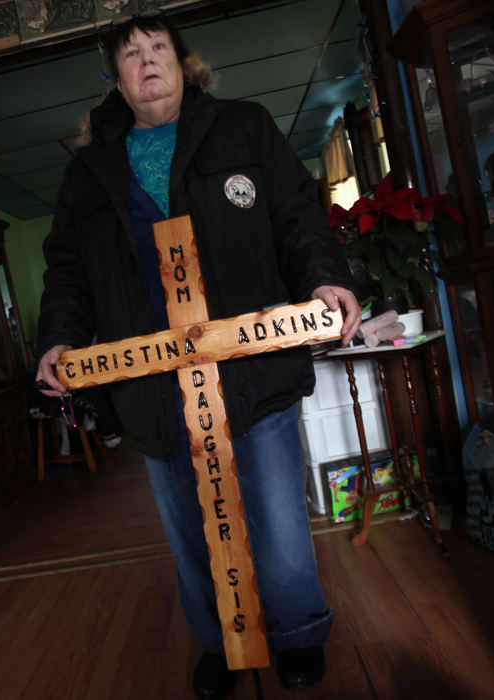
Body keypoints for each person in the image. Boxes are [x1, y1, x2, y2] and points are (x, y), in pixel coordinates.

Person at [35, 12, 361, 699]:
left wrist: (324, 279)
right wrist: (59, 340)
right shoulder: (87, 174)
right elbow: (66, 268)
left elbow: (298, 214)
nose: (148, 62)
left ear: (184, 63)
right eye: (131, 55)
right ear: (115, 78)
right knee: (189, 530)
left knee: (275, 519)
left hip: (251, 369)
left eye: (159, 49)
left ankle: (299, 634)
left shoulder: (243, 127)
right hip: (152, 387)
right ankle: (221, 641)